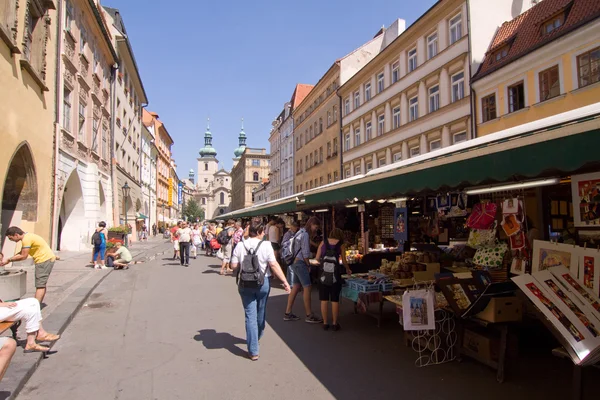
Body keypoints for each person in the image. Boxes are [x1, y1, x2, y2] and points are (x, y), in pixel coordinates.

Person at [230, 224, 291, 360]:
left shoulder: (240, 245)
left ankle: (253, 350)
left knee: (249, 315)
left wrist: (241, 263)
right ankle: (256, 337)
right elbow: (274, 264)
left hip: (245, 283)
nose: (264, 234)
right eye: (263, 231)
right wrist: (285, 282)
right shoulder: (266, 245)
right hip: (263, 283)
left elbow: (233, 266)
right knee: (261, 311)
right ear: (258, 232)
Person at [284, 217, 323, 324]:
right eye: (316, 226)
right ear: (311, 225)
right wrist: (308, 264)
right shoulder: (305, 234)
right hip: (301, 263)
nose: (316, 229)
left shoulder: (299, 232)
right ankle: (309, 314)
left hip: (295, 262)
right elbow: (305, 253)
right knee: (307, 286)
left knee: (296, 286)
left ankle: (288, 312)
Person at [2, 227, 55, 304]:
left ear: (16, 235)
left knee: (40, 285)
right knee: (41, 283)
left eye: (11, 238)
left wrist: (9, 260)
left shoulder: (26, 240)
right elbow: (21, 252)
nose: (11, 240)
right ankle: (36, 304)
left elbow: (24, 256)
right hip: (45, 259)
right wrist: (8, 260)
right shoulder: (28, 236)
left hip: (43, 260)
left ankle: (35, 306)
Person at [315, 228, 352, 331]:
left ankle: (325, 323)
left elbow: (317, 258)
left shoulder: (323, 242)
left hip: (323, 274)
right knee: (335, 299)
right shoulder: (341, 245)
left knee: (324, 299)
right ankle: (335, 323)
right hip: (335, 275)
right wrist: (348, 269)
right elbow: (344, 261)